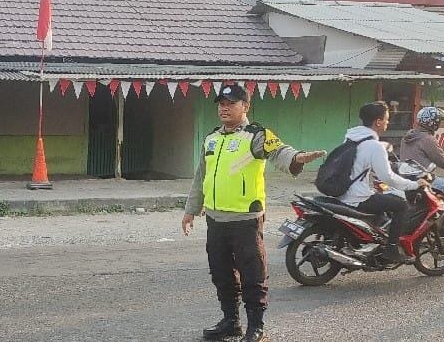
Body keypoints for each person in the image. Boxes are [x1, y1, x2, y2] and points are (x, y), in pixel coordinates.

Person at [182, 85, 326, 342]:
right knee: (221, 274)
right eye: (221, 103)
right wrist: (191, 210)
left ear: (246, 106)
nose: (224, 108)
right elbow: (200, 177)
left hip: (245, 220)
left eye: (231, 103)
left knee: (252, 274)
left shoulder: (256, 135)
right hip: (215, 219)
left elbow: (279, 151)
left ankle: (256, 326)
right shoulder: (211, 138)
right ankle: (231, 321)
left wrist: (297, 158)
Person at [338, 102, 430, 264]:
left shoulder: (351, 137)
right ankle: (391, 250)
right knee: (401, 205)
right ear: (378, 122)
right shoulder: (374, 146)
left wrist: (383, 149)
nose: (388, 122)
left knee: (382, 201)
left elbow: (361, 160)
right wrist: (415, 184)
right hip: (358, 197)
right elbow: (388, 178)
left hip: (342, 191)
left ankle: (373, 241)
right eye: (387, 119)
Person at [399, 107, 444, 213]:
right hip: (424, 179)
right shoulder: (427, 139)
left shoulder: (408, 136)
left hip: (407, 177)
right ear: (433, 123)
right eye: (439, 122)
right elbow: (443, 162)